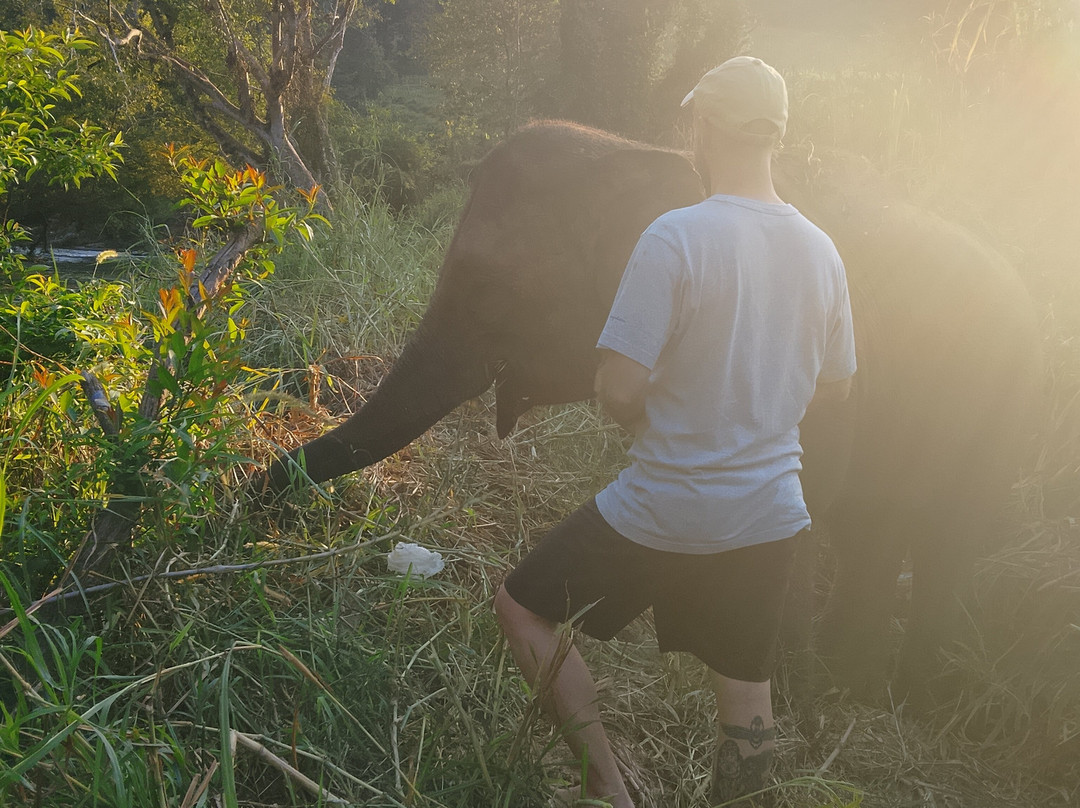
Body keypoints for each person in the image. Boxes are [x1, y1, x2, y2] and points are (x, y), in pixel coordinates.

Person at [494, 56, 857, 808]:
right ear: (776, 135)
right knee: (746, 691)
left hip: (665, 506)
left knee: (522, 608)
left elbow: (618, 386)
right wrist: (758, 409)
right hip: (768, 511)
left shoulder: (676, 237)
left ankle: (606, 787)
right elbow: (839, 383)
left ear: (705, 126)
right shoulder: (822, 250)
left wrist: (637, 408)